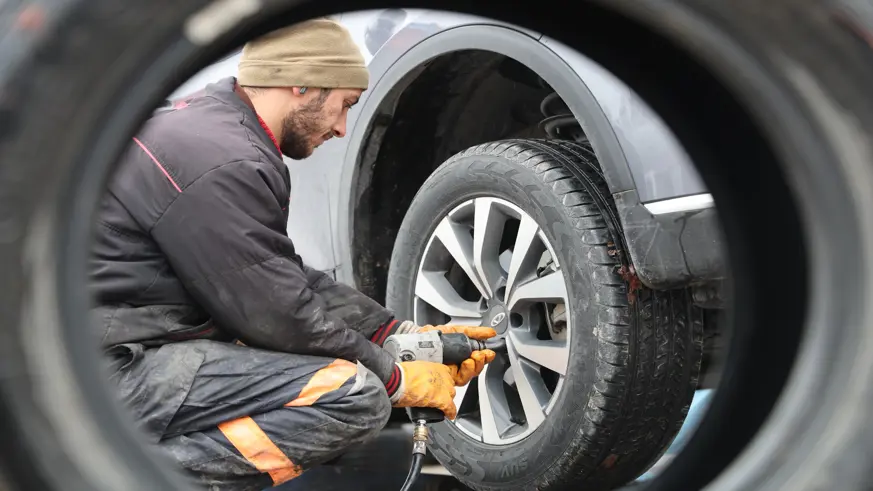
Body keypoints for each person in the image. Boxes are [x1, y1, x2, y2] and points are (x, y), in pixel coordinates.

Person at [89, 18, 496, 490]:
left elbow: (276, 275)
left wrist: (394, 334)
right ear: (301, 85)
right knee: (355, 396)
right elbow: (274, 314)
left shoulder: (209, 130)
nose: (342, 128)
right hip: (118, 372)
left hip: (118, 354)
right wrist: (395, 379)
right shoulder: (227, 161)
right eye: (345, 104)